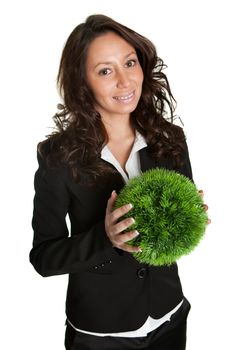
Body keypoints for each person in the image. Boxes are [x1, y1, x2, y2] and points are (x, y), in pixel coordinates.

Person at [30, 14, 208, 350]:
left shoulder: (170, 139)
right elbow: (44, 257)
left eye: (130, 63)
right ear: (83, 83)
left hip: (169, 316)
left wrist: (189, 216)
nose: (125, 82)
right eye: (105, 70)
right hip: (101, 334)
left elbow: (174, 222)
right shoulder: (58, 158)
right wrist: (105, 238)